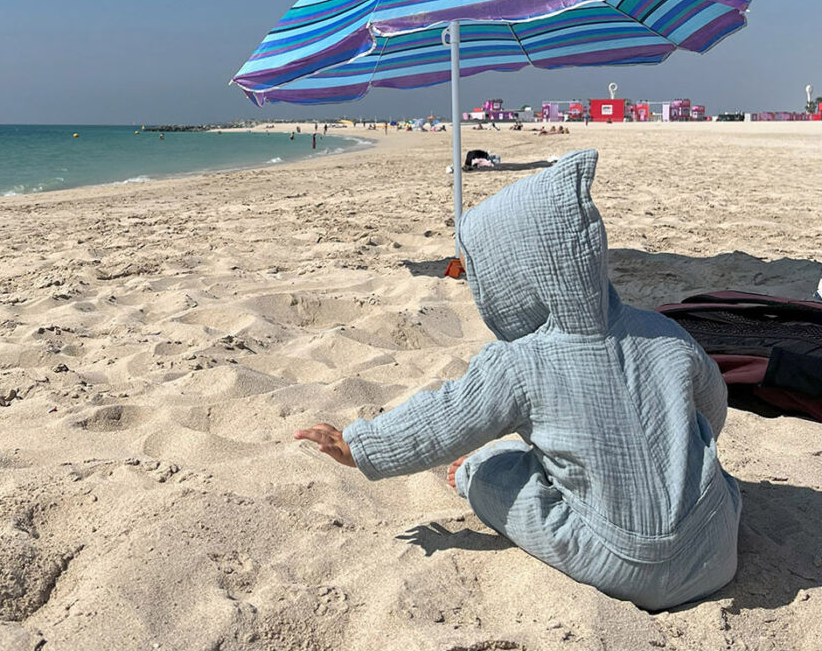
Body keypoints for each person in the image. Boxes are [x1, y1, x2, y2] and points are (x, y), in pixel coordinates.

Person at [294, 150, 739, 611]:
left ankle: (470, 475)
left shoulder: (520, 362)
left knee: (490, 472)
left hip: (618, 560)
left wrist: (359, 446)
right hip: (715, 544)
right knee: (689, 460)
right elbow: (712, 407)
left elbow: (443, 420)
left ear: (508, 281)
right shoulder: (663, 332)